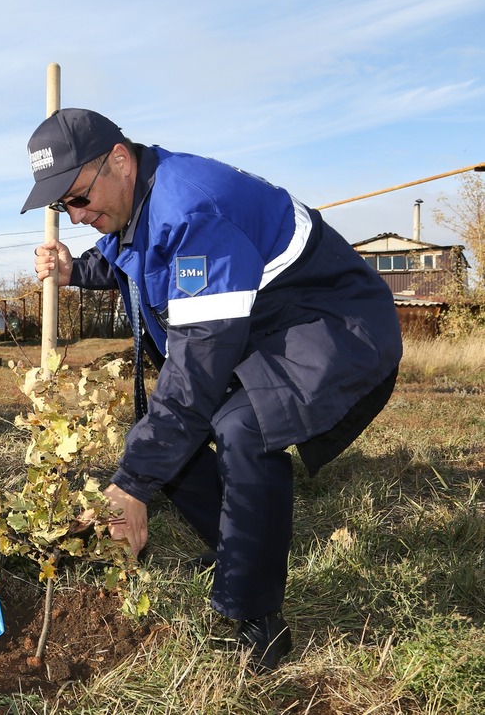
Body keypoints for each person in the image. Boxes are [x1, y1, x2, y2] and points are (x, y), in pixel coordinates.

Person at [23, 108, 403, 672]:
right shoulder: (140, 203)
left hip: (334, 324)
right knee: (161, 438)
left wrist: (131, 486)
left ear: (119, 161)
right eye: (64, 207)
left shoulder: (196, 212)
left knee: (243, 425)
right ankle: (236, 547)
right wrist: (74, 269)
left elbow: (197, 369)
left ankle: (255, 615)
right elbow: (134, 262)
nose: (76, 217)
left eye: (78, 198)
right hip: (266, 328)